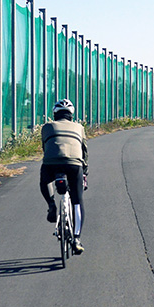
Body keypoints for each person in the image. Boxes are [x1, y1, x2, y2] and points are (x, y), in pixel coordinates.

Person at [40, 99, 88, 255]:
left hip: (51, 162)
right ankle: (77, 238)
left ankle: (51, 205)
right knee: (77, 201)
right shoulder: (79, 128)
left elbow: (45, 147)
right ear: (71, 116)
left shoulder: (47, 127)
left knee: (45, 179)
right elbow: (84, 150)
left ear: (54, 114)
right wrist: (85, 171)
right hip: (74, 164)